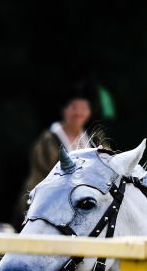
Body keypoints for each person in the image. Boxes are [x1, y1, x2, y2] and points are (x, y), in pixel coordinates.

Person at [15, 90, 106, 225]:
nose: (78, 113)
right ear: (63, 109)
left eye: (84, 108)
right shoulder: (49, 140)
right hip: (51, 205)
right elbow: (41, 177)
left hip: (86, 206)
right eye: (74, 107)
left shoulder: (95, 139)